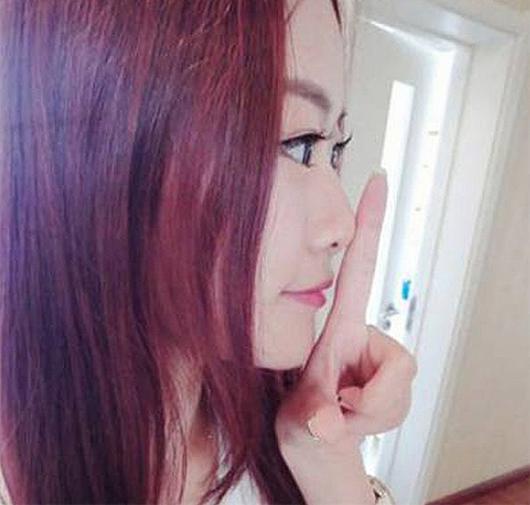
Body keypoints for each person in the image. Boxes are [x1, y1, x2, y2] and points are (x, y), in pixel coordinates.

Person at [0, 0, 417, 503]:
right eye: (299, 143)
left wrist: (326, 450)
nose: (341, 226)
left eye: (335, 149)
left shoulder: (265, 429)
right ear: (106, 148)